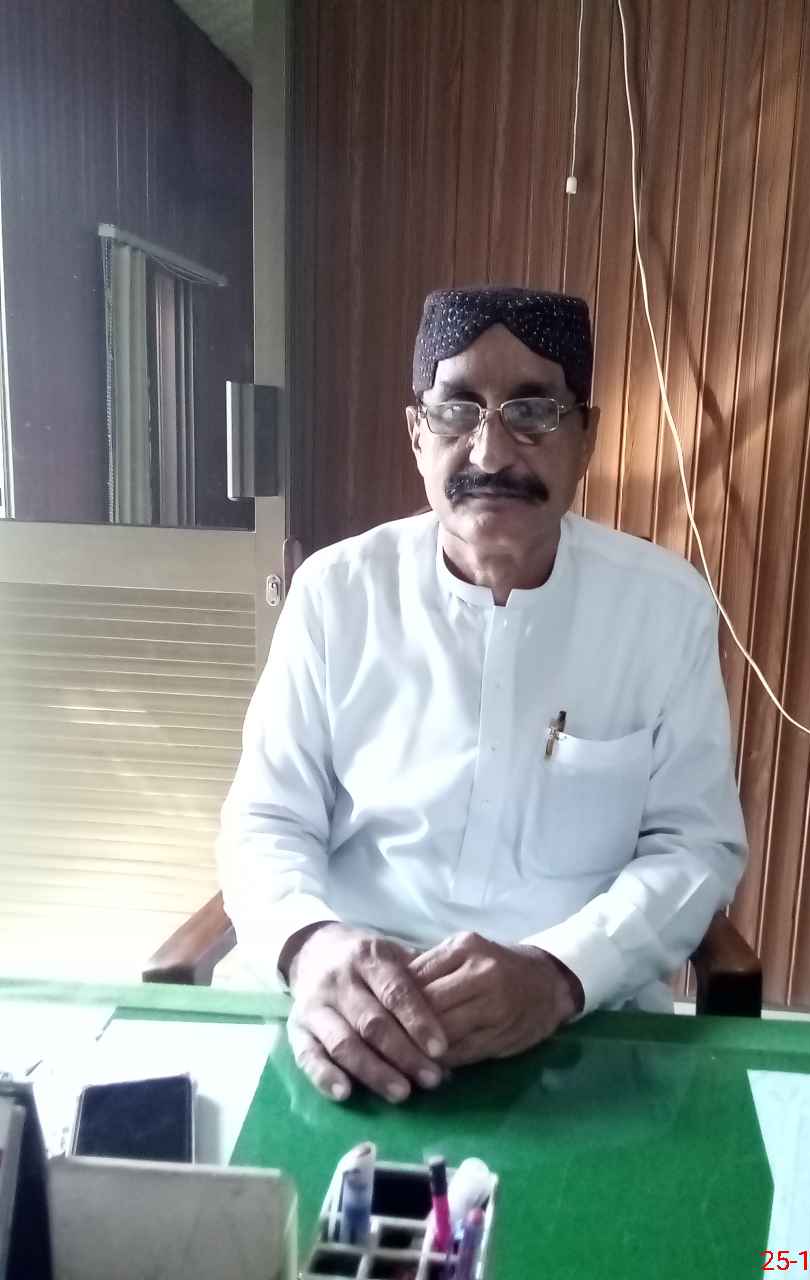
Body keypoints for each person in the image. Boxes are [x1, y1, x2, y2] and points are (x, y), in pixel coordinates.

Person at [218, 286, 747, 1104]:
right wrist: (313, 946)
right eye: (456, 410)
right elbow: (265, 820)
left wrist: (560, 973)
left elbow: (693, 845)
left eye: (532, 412)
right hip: (344, 1009)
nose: (491, 455)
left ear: (586, 437)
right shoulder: (335, 594)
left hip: (577, 1027)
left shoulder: (664, 609)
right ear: (416, 433)